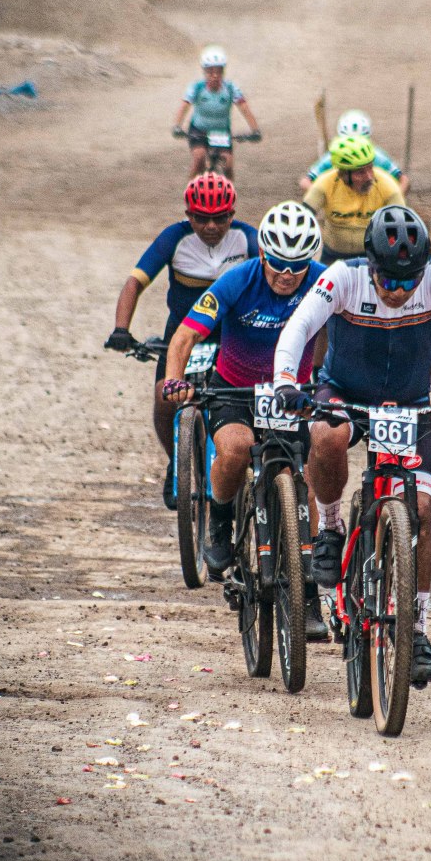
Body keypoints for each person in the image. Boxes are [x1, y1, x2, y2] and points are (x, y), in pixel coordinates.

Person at [273, 205, 431, 685]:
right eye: (388, 281)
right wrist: (285, 382)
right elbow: (299, 326)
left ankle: (416, 629)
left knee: (421, 512)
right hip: (345, 394)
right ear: (370, 266)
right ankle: (331, 528)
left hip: (408, 404)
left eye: (408, 282)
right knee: (326, 435)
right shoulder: (343, 276)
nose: (398, 292)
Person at [161, 203, 329, 637]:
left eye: (298, 265)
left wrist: (330, 380)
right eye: (278, 263)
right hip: (235, 390)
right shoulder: (237, 279)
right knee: (235, 449)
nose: (287, 274)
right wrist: (175, 379)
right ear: (262, 253)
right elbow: (185, 334)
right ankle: (219, 520)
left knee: (304, 482)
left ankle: (309, 594)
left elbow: (349, 331)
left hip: (290, 395)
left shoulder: (323, 281)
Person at [104, 173, 257, 510]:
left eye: (220, 218)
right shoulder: (174, 238)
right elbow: (134, 282)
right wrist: (121, 329)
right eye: (201, 218)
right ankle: (177, 461)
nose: (211, 226)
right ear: (188, 215)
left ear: (232, 214)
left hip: (231, 335)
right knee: (164, 396)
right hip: (183, 333)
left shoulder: (248, 239)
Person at [302, 134, 404, 264]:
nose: (369, 177)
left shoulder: (387, 185)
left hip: (373, 255)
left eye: (370, 168)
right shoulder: (325, 183)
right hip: (333, 255)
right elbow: (303, 218)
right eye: (360, 172)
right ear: (343, 173)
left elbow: (403, 226)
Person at [172, 46, 261, 180]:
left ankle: (229, 192)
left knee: (228, 165)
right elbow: (185, 105)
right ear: (204, 71)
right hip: (199, 130)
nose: (215, 75)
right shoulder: (197, 87)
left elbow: (244, 108)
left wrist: (255, 130)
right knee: (199, 159)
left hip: (221, 132)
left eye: (219, 71)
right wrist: (177, 126)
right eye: (210, 71)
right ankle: (191, 191)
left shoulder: (231, 88)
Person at [299, 109, 410, 195]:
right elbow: (305, 182)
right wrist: (326, 199)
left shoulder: (378, 157)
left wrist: (393, 202)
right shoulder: (332, 157)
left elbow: (403, 180)